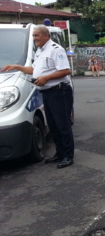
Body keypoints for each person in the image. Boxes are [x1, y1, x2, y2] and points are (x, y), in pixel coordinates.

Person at [1, 25, 75, 169]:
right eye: (34, 36)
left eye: (37, 35)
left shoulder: (55, 49)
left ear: (46, 36)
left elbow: (66, 70)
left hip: (59, 93)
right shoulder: (40, 51)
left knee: (62, 126)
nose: (35, 38)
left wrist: (46, 78)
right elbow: (34, 70)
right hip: (47, 93)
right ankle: (59, 153)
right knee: (53, 126)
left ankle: (68, 156)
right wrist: (17, 67)